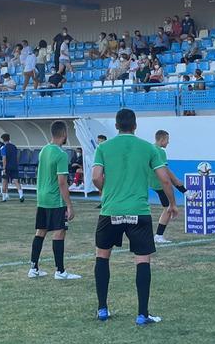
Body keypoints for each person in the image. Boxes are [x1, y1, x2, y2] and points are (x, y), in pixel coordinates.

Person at [91, 108, 173, 323]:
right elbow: (164, 179)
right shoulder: (148, 148)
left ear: (116, 126)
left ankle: (102, 309)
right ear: (135, 126)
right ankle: (142, 314)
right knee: (142, 260)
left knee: (102, 256)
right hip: (138, 211)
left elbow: (96, 177)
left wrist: (106, 191)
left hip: (111, 211)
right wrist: (172, 203)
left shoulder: (104, 147)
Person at [27, 121, 81, 281]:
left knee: (40, 231)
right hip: (55, 199)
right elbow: (62, 182)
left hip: (42, 198)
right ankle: (60, 271)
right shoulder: (61, 154)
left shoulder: (44, 150)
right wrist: (69, 205)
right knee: (60, 232)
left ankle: (33, 268)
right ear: (64, 134)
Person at [149, 130, 187, 244]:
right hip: (159, 183)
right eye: (167, 140)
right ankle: (159, 235)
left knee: (167, 207)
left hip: (151, 182)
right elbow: (164, 171)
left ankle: (186, 192)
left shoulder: (150, 148)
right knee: (168, 208)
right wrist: (175, 180)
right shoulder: (160, 151)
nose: (168, 142)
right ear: (162, 140)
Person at [0, 133, 24, 202]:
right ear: (9, 138)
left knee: (4, 182)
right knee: (16, 181)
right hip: (14, 166)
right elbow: (16, 157)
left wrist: (4, 168)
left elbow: (4, 158)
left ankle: (4, 198)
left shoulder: (3, 148)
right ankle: (21, 196)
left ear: (3, 139)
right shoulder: (14, 147)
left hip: (7, 167)